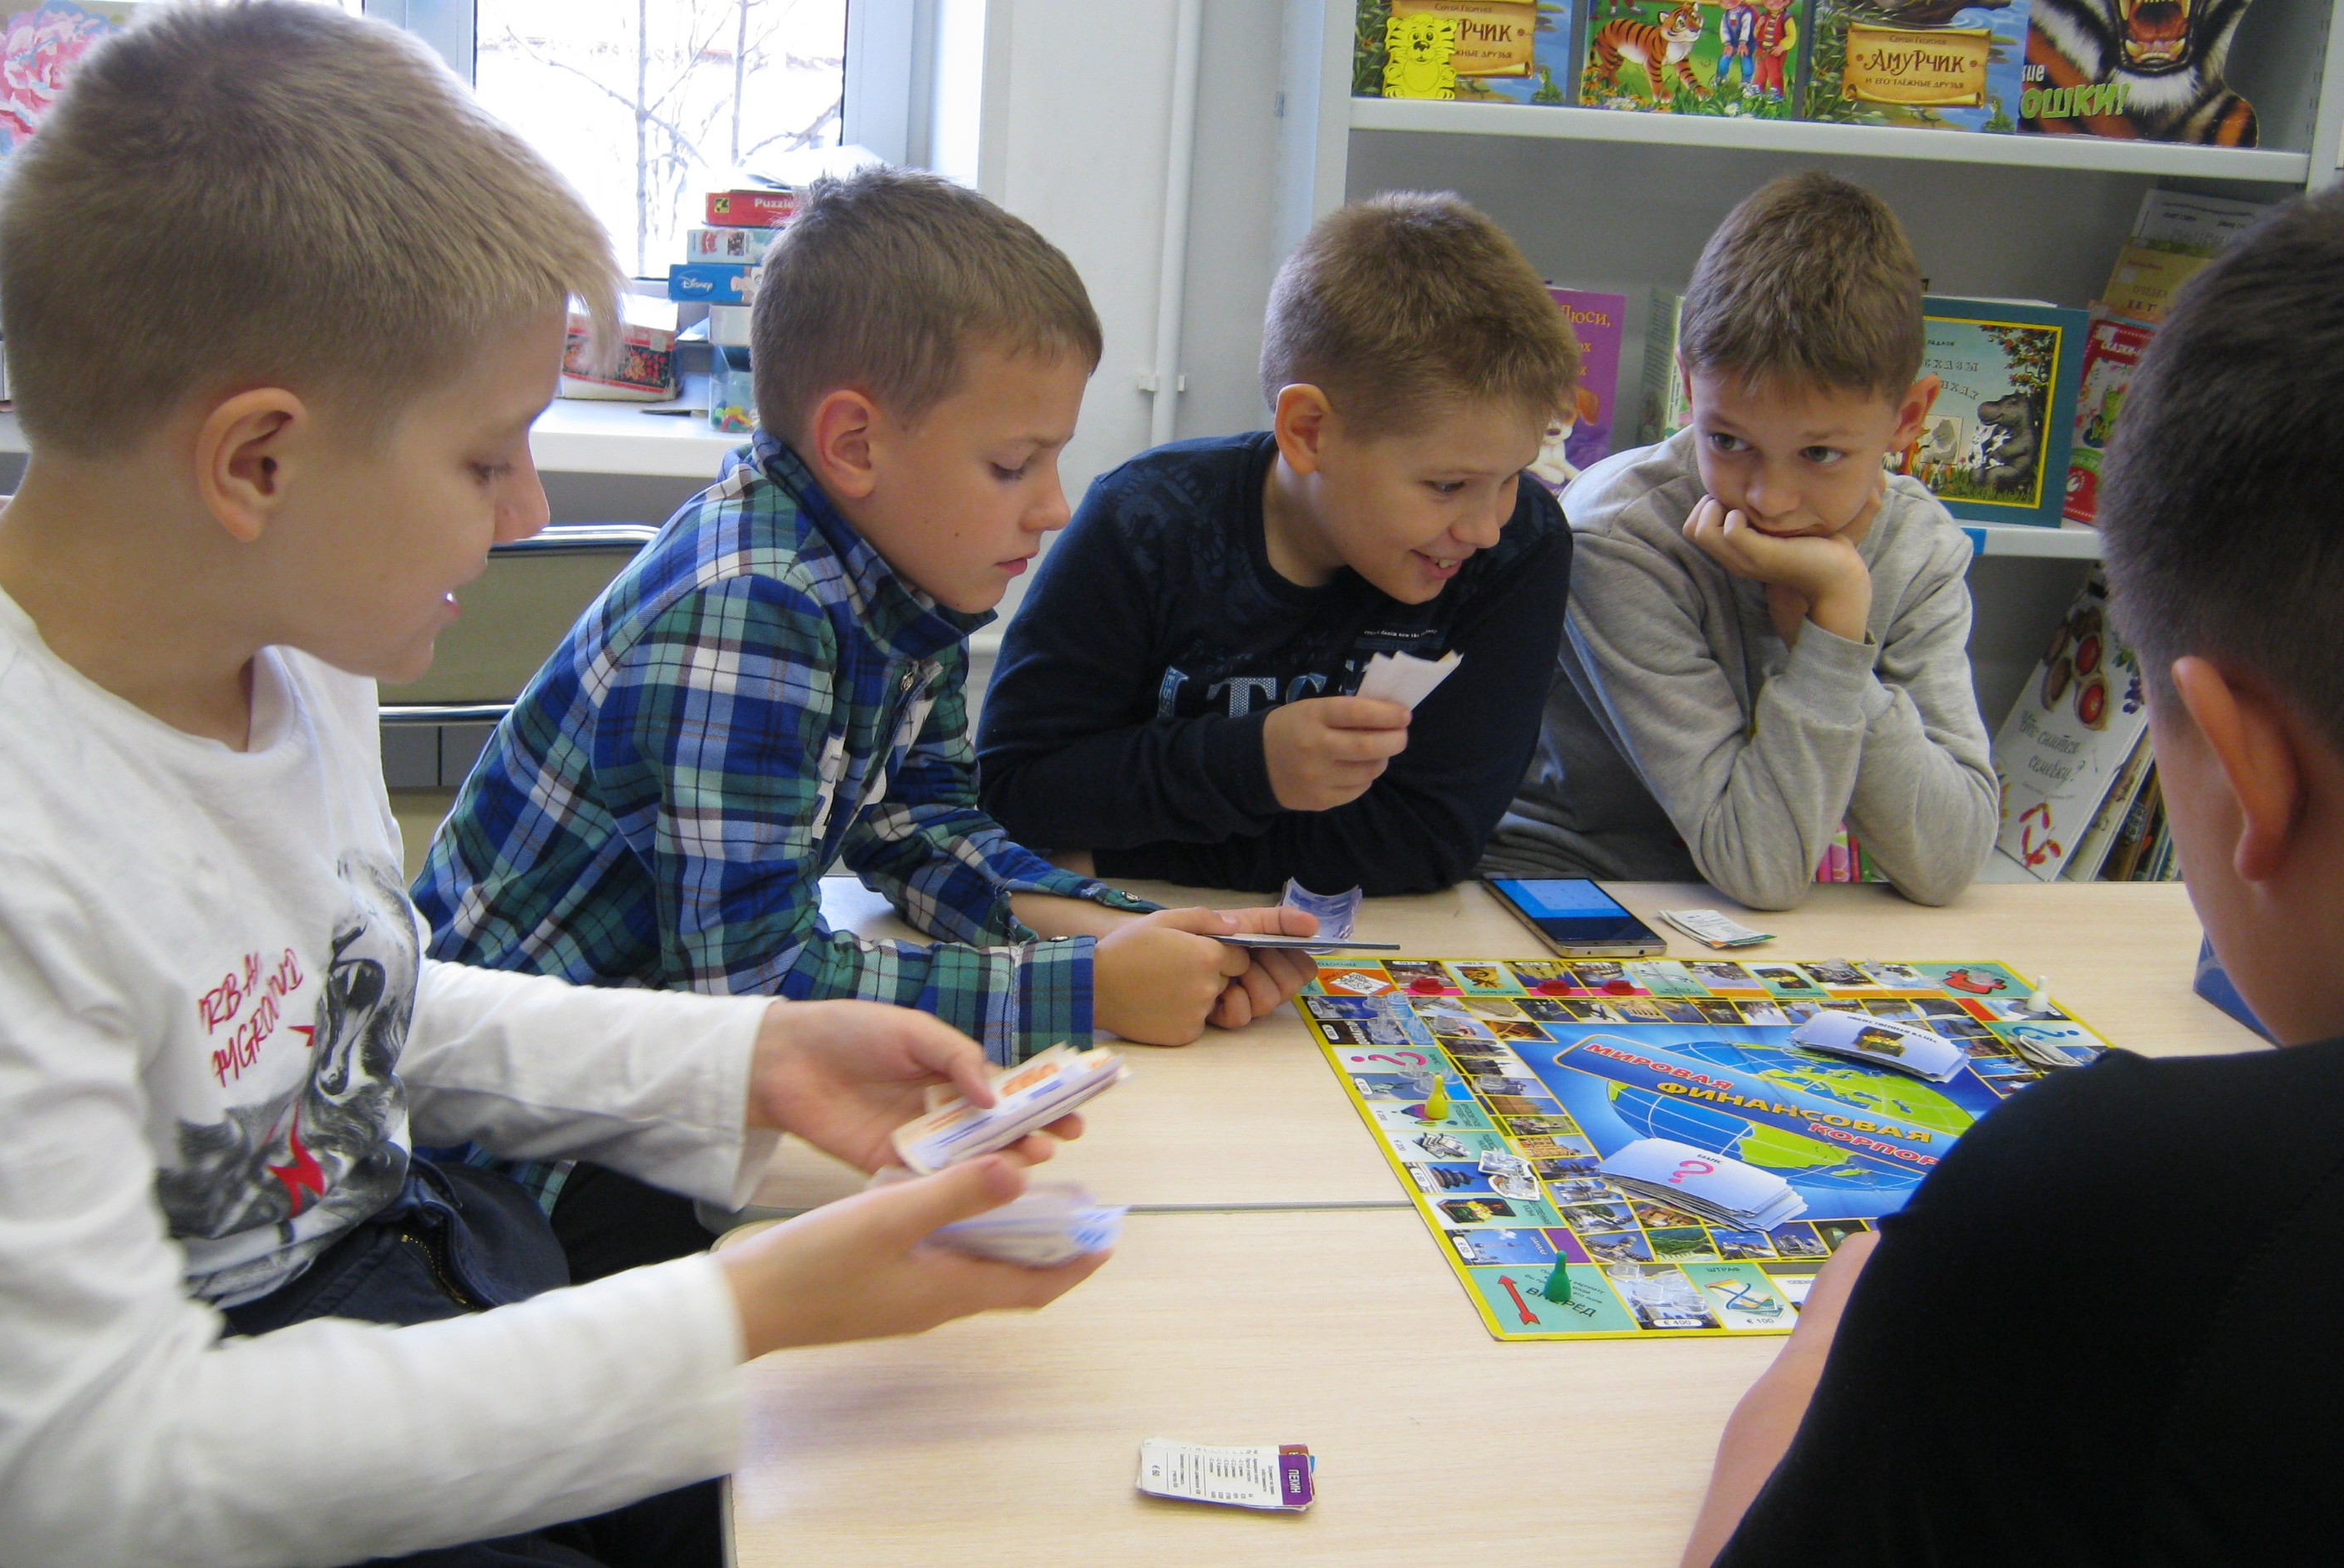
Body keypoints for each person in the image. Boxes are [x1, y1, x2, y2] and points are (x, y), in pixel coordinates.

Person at [0, 9, 1102, 1567]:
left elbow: (350, 1011)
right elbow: (96, 1471)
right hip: (228, 1444)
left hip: (407, 1261)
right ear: (257, 464)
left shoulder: (284, 642)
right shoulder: (25, 845)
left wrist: (749, 1058)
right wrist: (738, 1308)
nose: (526, 509)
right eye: (485, 458)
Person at [415, 168, 1314, 1271]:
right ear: (853, 444)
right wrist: (1084, 990)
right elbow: (754, 994)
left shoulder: (898, 576)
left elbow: (920, 826)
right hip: (512, 1155)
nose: (1055, 504)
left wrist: (1129, 933)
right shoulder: (752, 608)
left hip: (648, 1082)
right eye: (1013, 463)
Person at [1682, 187, 2344, 1564]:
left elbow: (1935, 849)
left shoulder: (2092, 1206)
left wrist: (1816, 1375)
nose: (1766, 493)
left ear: (2244, 769)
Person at [975, 192, 1579, 896]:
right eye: (1447, 485)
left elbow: (1426, 841)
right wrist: (1253, 763)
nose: (1484, 527)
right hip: (1129, 923)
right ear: (1308, 431)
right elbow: (1016, 790)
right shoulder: (1146, 523)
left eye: (1513, 477)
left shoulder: (1521, 546)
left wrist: (1110, 855)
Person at [1483, 172, 1996, 911]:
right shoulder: (1620, 536)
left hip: (1759, 915)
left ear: (1908, 419)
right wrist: (1834, 627)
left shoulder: (1920, 544)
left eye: (1820, 453)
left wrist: (1826, 632)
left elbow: (1948, 861)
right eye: (1728, 440)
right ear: (1689, 388)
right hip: (1575, 885)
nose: (1768, 498)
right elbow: (1760, 866)